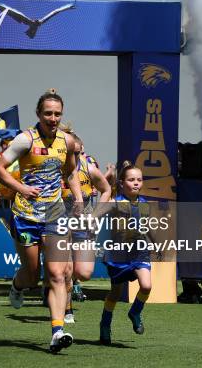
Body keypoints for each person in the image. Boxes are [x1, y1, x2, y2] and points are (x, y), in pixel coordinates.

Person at [0, 89, 83, 353]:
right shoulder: (24, 140)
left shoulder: (66, 142)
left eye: (57, 114)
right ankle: (17, 285)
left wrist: (77, 196)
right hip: (25, 215)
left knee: (57, 274)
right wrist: (21, 189)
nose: (53, 118)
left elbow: (71, 172)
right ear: (38, 114)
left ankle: (57, 331)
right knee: (32, 274)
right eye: (48, 113)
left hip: (54, 214)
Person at [59, 130, 111, 323]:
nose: (75, 156)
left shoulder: (89, 169)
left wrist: (95, 215)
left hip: (84, 224)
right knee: (66, 269)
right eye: (71, 153)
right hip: (61, 224)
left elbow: (106, 190)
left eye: (78, 152)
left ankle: (67, 286)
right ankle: (67, 309)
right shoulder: (56, 170)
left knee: (84, 272)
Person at [99, 161, 152, 345]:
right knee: (115, 294)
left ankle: (135, 312)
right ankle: (105, 325)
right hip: (119, 255)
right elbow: (97, 214)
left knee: (146, 286)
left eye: (139, 179)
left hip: (139, 254)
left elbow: (147, 228)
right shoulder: (116, 203)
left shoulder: (145, 204)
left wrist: (157, 245)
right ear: (122, 183)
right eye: (131, 180)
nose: (136, 183)